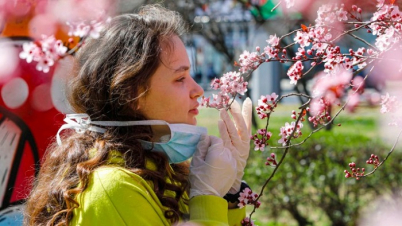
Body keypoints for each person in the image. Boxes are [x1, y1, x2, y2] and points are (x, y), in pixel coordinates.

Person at [24, 4, 252, 226]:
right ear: (132, 94)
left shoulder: (159, 169)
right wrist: (206, 198)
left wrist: (229, 196)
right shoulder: (114, 188)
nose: (198, 90)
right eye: (180, 78)